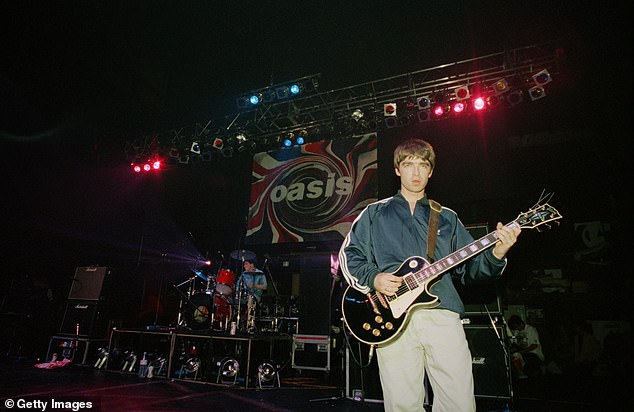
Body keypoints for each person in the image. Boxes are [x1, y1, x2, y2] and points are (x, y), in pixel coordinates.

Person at [339, 138, 521, 412]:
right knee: (402, 403)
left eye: (422, 165)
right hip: (392, 319)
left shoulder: (446, 217)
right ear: (397, 170)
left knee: (458, 401)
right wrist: (374, 278)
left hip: (442, 312)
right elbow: (349, 255)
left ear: (431, 171)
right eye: (408, 165)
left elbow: (469, 271)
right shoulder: (374, 213)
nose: (415, 173)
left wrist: (497, 254)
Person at [507, 315, 545, 379]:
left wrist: (522, 352)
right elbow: (515, 343)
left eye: (517, 327)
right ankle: (521, 374)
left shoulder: (531, 330)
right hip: (524, 353)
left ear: (520, 323)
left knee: (523, 357)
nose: (516, 329)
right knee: (514, 356)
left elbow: (534, 345)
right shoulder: (516, 332)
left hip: (534, 354)